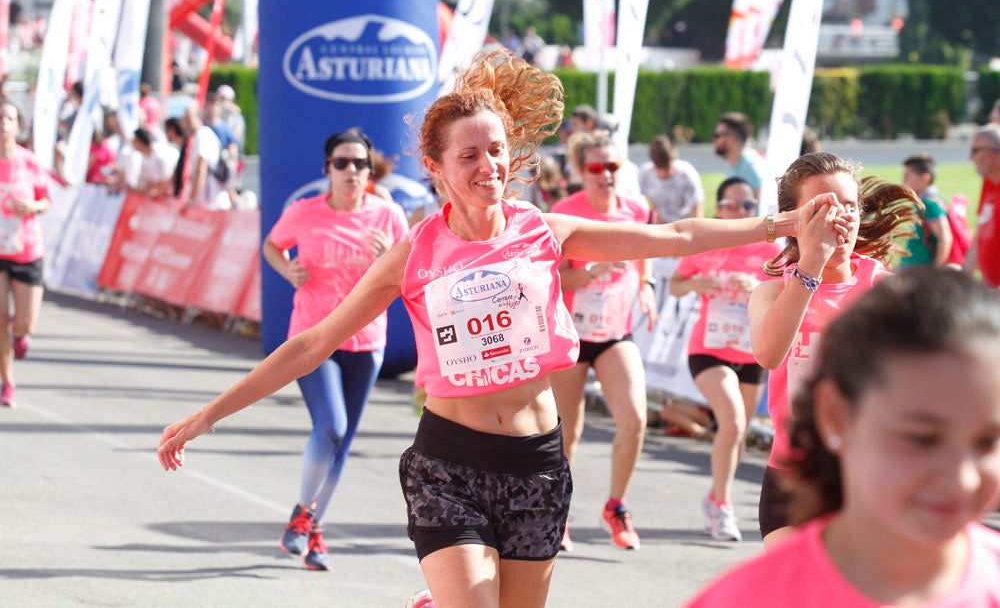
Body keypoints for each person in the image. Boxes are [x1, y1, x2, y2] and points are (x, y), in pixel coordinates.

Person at [158, 50, 834, 608]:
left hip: (538, 465)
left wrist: (779, 225)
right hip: (450, 461)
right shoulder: (412, 253)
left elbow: (675, 233)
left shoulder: (546, 231)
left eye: (498, 152)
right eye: (469, 156)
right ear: (437, 166)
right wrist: (210, 413)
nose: (488, 168)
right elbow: (313, 342)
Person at [686, 267, 1000, 607]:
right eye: (923, 439)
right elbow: (768, 352)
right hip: (789, 475)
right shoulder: (744, 596)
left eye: (988, 442)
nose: (961, 478)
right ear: (835, 415)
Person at [747, 151, 918, 548]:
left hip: (871, 480)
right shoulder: (772, 292)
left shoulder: (888, 291)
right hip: (794, 480)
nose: (840, 217)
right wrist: (812, 263)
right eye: (823, 207)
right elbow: (769, 354)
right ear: (793, 218)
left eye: (850, 205)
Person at [263, 129, 408, 571]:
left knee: (342, 442)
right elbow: (272, 244)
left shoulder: (388, 215)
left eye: (359, 164)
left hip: (367, 341)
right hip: (314, 336)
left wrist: (390, 258)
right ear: (327, 168)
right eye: (342, 163)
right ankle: (307, 517)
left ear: (369, 170)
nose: (351, 171)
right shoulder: (304, 212)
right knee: (330, 425)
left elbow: (410, 274)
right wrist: (287, 269)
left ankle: (311, 527)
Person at [549, 130, 658, 552]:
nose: (605, 175)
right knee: (567, 431)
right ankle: (557, 514)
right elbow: (550, 277)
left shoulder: (636, 208)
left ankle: (616, 506)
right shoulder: (565, 212)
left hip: (615, 331)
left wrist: (645, 284)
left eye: (612, 166)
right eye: (595, 168)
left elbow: (645, 250)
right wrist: (590, 273)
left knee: (634, 420)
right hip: (572, 335)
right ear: (581, 170)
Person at [669, 178, 781, 542]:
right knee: (731, 421)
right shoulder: (706, 245)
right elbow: (675, 284)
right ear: (720, 208)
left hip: (751, 351)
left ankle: (717, 496)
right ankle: (722, 505)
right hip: (708, 349)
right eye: (734, 206)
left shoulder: (768, 251)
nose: (741, 212)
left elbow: (786, 291)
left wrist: (759, 289)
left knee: (738, 432)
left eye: (749, 206)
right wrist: (697, 285)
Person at [0, 101, 52, 408]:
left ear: (18, 126)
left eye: (9, 118)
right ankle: (8, 383)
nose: (3, 123)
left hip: (26, 249)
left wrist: (33, 207)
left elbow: (46, 200)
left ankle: (22, 336)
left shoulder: (29, 162)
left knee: (24, 324)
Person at [899, 153, 953, 268]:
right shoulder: (923, 201)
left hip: (919, 267)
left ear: (925, 178)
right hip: (914, 264)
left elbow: (945, 238)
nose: (904, 181)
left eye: (907, 176)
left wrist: (936, 271)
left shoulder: (930, 204)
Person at [639, 134, 704, 225]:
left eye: (667, 168)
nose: (663, 173)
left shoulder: (686, 174)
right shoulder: (645, 173)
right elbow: (644, 200)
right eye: (658, 168)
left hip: (685, 223)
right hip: (661, 224)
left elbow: (696, 207)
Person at [964, 124, 1000, 287]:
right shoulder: (989, 182)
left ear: (991, 153)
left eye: (974, 151)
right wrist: (964, 277)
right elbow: (982, 231)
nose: (970, 158)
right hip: (989, 285)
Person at [179, 104, 231, 211]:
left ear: (199, 118)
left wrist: (192, 198)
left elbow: (201, 169)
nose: (185, 124)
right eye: (185, 120)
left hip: (212, 201)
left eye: (189, 119)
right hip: (209, 200)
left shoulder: (202, 136)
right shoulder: (198, 137)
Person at [713, 112, 765, 200]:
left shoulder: (752, 168)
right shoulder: (735, 163)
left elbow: (765, 207)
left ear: (731, 139)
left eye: (717, 135)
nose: (714, 140)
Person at [129, 127, 179, 197]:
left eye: (134, 141)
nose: (133, 144)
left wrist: (151, 192)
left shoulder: (159, 156)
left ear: (141, 142)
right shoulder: (145, 157)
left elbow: (166, 182)